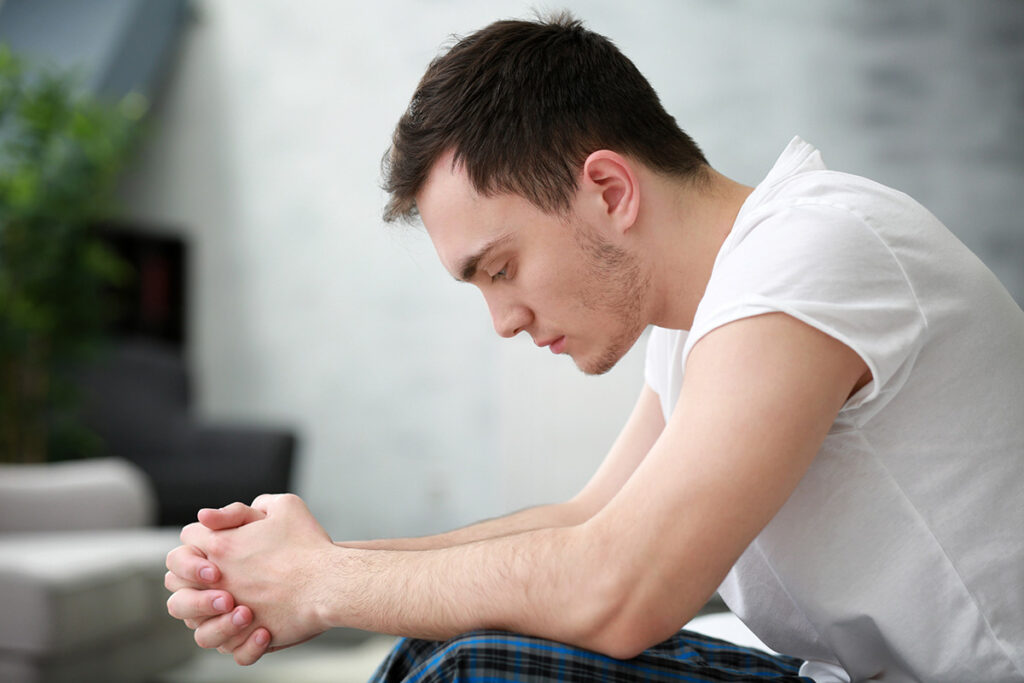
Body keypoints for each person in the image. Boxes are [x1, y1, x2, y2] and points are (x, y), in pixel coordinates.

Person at [164, 13, 1024, 682]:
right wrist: (313, 563)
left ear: (609, 188)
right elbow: (584, 522)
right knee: (446, 651)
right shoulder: (707, 317)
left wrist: (322, 586)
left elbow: (621, 588)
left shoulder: (813, 255)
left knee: (481, 667)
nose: (504, 320)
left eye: (501, 268)